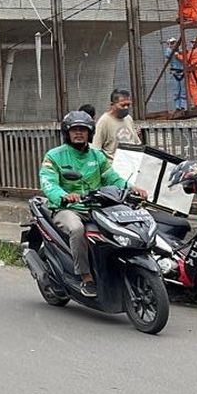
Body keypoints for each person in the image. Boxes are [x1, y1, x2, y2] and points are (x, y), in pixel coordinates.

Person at [39, 110, 147, 298]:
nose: (79, 133)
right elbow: (48, 183)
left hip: (96, 207)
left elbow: (112, 178)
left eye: (83, 129)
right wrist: (64, 195)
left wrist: (132, 188)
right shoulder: (54, 156)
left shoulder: (97, 156)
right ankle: (86, 277)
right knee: (77, 229)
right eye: (75, 130)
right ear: (67, 133)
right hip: (68, 208)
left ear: (90, 133)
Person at [91, 88, 140, 161]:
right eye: (123, 105)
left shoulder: (128, 119)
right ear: (112, 105)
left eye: (128, 104)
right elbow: (96, 149)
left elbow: (136, 143)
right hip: (113, 167)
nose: (126, 108)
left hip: (131, 164)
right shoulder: (104, 121)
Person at [165, 38, 188, 112]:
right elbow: (167, 55)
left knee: (183, 91)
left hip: (182, 72)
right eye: (171, 43)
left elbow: (186, 55)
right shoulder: (169, 51)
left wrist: (179, 52)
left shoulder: (182, 51)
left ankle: (183, 106)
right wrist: (170, 47)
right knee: (176, 90)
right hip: (175, 73)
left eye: (174, 43)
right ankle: (177, 106)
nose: (173, 44)